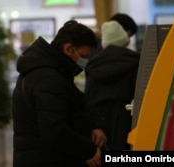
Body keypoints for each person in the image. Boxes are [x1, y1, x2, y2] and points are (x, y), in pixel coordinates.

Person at [12, 20, 106, 167]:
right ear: (68, 49)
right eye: (84, 56)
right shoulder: (48, 79)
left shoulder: (54, 72)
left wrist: (95, 124)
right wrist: (88, 151)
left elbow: (79, 101)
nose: (85, 61)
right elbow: (54, 131)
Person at [84, 20, 140, 150]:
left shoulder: (92, 65)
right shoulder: (135, 62)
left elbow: (88, 96)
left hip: (98, 119)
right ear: (125, 41)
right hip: (128, 116)